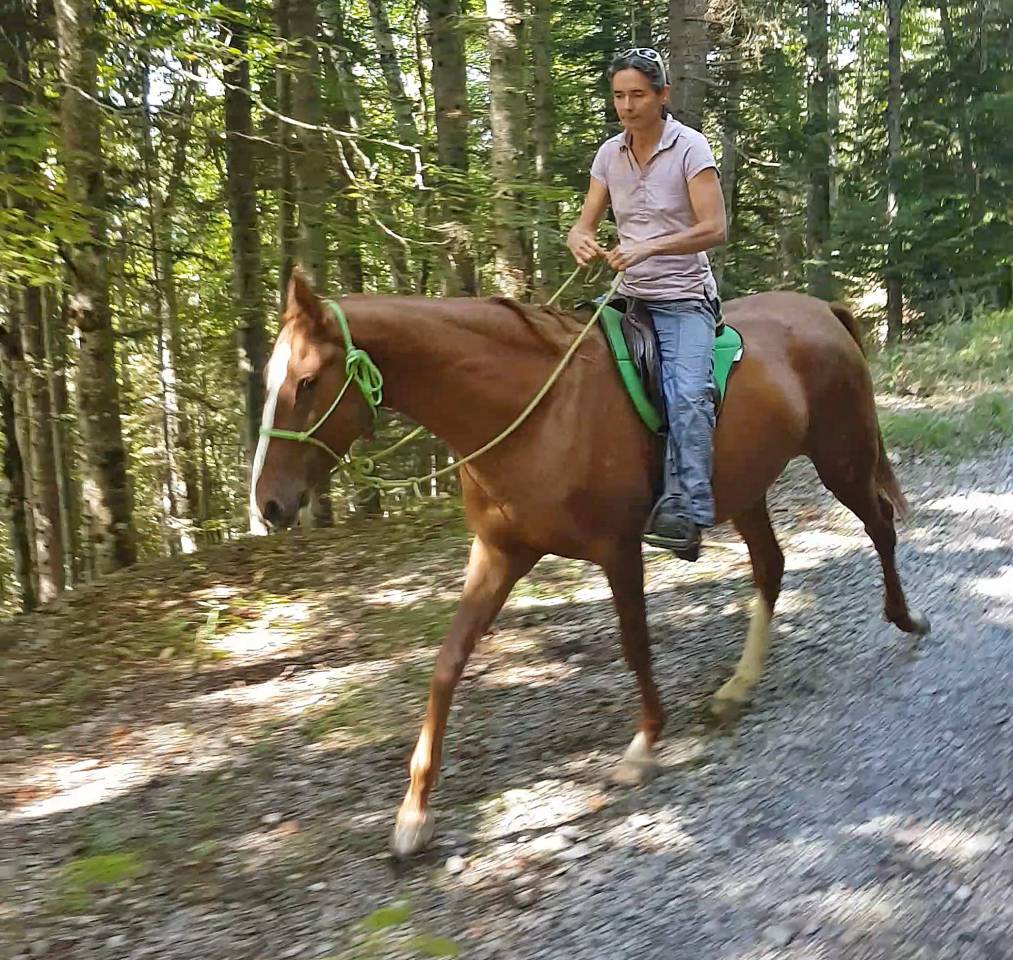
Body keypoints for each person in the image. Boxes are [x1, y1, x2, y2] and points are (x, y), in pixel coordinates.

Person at [566, 47, 727, 561]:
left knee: (687, 394)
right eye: (619, 95)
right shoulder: (609, 154)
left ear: (663, 95)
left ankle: (688, 508)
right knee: (566, 363)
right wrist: (581, 240)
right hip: (627, 296)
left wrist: (648, 246)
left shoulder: (690, 148)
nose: (627, 106)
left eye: (638, 94)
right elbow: (584, 223)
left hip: (683, 297)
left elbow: (716, 228)